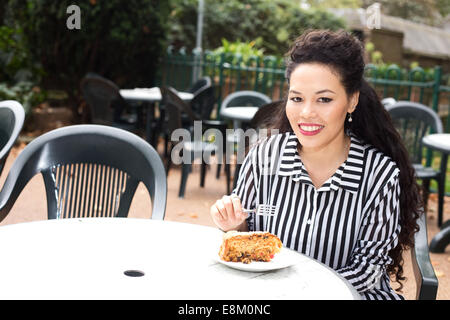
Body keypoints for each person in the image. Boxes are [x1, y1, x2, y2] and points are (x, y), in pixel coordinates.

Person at [210, 29, 422, 300]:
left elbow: (368, 271)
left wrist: (301, 293)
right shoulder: (263, 157)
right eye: (297, 98)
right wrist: (234, 225)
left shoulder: (379, 175)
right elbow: (246, 239)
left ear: (352, 100)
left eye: (324, 99)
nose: (307, 112)